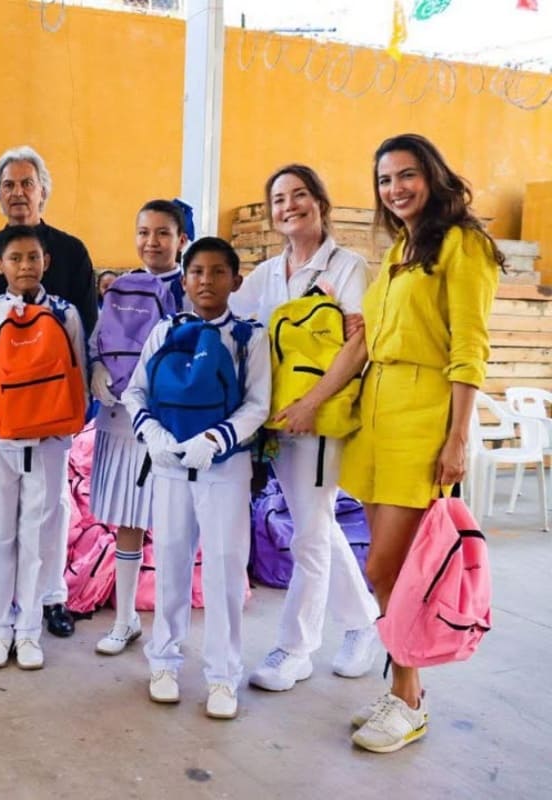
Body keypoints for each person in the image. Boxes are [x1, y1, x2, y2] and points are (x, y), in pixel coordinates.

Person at [341, 133, 501, 753]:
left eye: (407, 175)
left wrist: (458, 436)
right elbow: (373, 336)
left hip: (424, 415)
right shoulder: (402, 250)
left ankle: (408, 698)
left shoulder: (464, 244)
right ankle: (405, 690)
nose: (395, 188)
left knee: (391, 566)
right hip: (379, 415)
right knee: (389, 568)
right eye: (384, 180)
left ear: (432, 176)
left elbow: (470, 346)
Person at [228, 165, 382, 692]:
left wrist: (315, 402)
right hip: (276, 421)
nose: (288, 205)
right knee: (314, 525)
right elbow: (228, 318)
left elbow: (357, 343)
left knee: (309, 534)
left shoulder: (347, 266)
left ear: (320, 201)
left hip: (320, 419)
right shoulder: (269, 273)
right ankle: (362, 621)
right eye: (278, 199)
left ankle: (294, 649)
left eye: (299, 195)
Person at [121, 237, 270, 720]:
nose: (207, 281)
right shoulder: (166, 330)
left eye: (218, 272)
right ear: (183, 281)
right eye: (197, 272)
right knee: (170, 562)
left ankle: (223, 675)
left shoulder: (250, 336)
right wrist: (156, 436)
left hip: (224, 469)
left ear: (236, 280)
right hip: (168, 468)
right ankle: (163, 661)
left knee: (226, 569)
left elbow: (257, 404)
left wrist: (216, 441)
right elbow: (135, 392)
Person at [0, 146, 96, 637]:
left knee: (50, 510)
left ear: (43, 190)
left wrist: (76, 408)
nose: (19, 193)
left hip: (52, 411)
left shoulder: (72, 253)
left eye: (27, 183)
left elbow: (84, 337)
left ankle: (49, 598)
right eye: (9, 185)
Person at [89, 200, 190, 656]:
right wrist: (97, 371)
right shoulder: (120, 288)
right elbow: (98, 341)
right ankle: (126, 619)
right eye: (144, 231)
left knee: (173, 529)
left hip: (172, 425)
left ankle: (171, 630)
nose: (153, 241)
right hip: (120, 420)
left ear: (181, 239)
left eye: (163, 232)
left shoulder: (194, 287)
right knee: (128, 523)